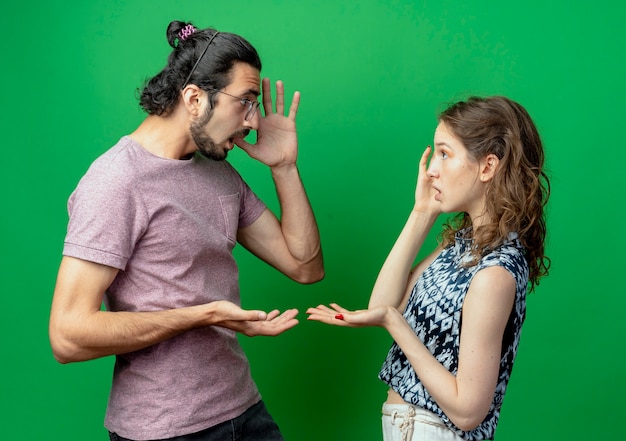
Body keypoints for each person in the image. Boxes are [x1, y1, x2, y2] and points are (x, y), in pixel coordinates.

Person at [49, 20, 324, 441]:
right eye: (246, 102)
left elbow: (304, 266)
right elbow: (67, 336)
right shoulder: (116, 182)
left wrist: (284, 167)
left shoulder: (218, 173)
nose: (253, 121)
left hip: (243, 409)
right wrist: (205, 314)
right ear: (194, 98)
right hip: (165, 428)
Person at [307, 96, 549, 441]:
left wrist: (395, 323)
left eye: (445, 153)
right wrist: (422, 213)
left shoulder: (495, 274)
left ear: (488, 166)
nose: (431, 169)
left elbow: (467, 411)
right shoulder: (464, 243)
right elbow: (383, 302)